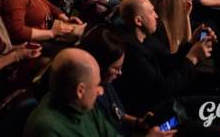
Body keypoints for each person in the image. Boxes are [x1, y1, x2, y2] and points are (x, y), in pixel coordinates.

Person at [24, 48, 175, 137]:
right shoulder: (46, 129)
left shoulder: (82, 106)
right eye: (96, 85)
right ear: (80, 91)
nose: (101, 91)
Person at [113, 0, 214, 116]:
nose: (156, 16)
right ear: (138, 21)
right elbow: (162, 89)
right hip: (155, 112)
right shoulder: (131, 51)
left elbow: (166, 63)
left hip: (170, 97)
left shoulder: (146, 37)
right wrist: (192, 58)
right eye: (151, 12)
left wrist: (191, 43)